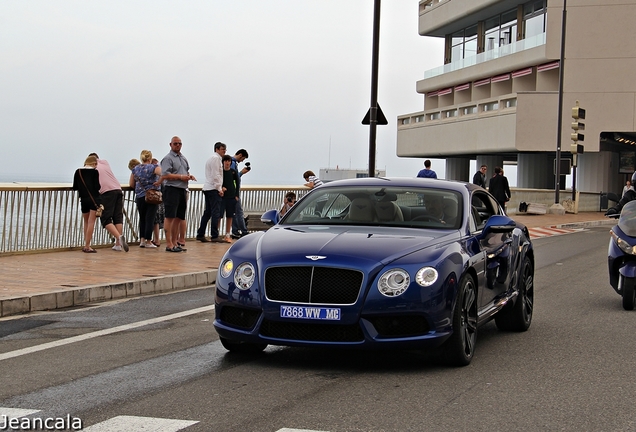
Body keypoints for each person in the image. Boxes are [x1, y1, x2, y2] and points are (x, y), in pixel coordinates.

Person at [156, 136, 196, 252]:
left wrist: (188, 176)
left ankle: (174, 242)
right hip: (171, 189)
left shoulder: (183, 158)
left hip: (182, 189)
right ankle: (169, 244)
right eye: (175, 144)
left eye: (179, 143)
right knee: (170, 217)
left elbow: (185, 171)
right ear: (170, 144)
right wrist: (181, 177)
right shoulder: (167, 159)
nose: (177, 145)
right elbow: (165, 175)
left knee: (179, 217)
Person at [89, 152, 129, 252]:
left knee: (105, 218)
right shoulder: (105, 162)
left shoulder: (92, 168)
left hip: (106, 192)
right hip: (118, 189)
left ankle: (119, 237)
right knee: (117, 217)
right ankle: (118, 244)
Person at [130, 150, 161, 248]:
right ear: (149, 158)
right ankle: (148, 241)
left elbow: (131, 184)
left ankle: (142, 240)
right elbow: (162, 173)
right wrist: (158, 182)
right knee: (150, 218)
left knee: (142, 218)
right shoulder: (153, 167)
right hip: (152, 196)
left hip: (139, 196)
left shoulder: (135, 169)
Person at [196, 142, 226, 243]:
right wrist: (219, 188)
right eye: (222, 149)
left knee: (208, 212)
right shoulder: (216, 159)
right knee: (215, 212)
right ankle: (214, 235)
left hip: (208, 187)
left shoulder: (212, 158)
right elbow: (216, 174)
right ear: (217, 149)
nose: (224, 151)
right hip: (213, 188)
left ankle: (201, 233)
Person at [72, 155, 101, 253]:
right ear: (93, 163)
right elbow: (97, 187)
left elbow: (75, 186)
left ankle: (86, 244)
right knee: (91, 222)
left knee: (86, 221)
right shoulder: (94, 172)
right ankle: (88, 246)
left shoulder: (78, 171)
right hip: (93, 199)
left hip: (83, 199)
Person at [230, 149, 250, 239]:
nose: (242, 161)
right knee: (239, 212)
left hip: (232, 191)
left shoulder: (231, 162)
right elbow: (233, 177)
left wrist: (241, 173)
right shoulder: (233, 163)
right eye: (243, 158)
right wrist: (241, 172)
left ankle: (235, 231)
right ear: (240, 155)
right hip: (234, 192)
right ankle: (244, 232)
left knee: (234, 213)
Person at [221, 154, 240, 243]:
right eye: (226, 161)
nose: (227, 163)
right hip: (222, 197)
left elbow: (237, 183)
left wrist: (236, 195)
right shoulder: (220, 172)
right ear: (223, 162)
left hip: (232, 197)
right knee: (219, 215)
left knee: (230, 216)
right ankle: (216, 233)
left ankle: (227, 234)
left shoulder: (233, 172)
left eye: (229, 161)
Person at [151, 158, 164, 247]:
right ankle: (157, 239)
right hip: (160, 197)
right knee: (158, 219)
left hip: (154, 198)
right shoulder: (160, 175)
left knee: (155, 220)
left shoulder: (156, 176)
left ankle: (155, 239)